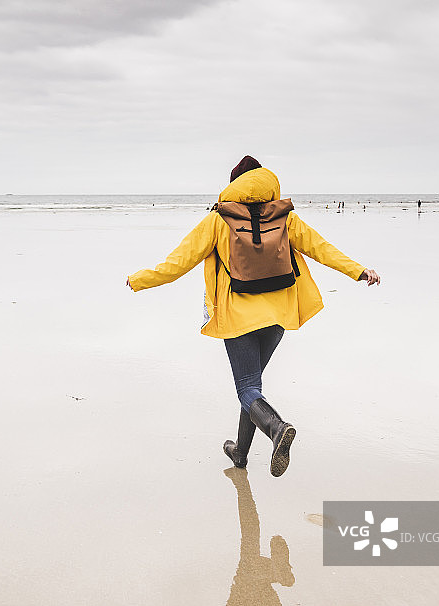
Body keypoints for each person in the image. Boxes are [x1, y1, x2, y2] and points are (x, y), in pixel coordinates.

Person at [126, 156, 380, 477]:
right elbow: (321, 248)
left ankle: (276, 428)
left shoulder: (219, 219)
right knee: (252, 387)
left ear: (234, 184)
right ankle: (240, 454)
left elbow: (179, 262)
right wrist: (358, 270)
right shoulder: (285, 217)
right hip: (278, 317)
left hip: (238, 318)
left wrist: (140, 279)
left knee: (247, 388)